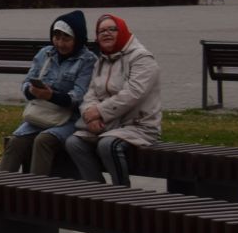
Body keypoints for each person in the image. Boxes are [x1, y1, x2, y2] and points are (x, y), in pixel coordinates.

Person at [57, 14, 161, 187]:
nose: (106, 34)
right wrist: (90, 116)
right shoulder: (101, 61)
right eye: (101, 31)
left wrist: (100, 112)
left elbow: (132, 93)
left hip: (137, 125)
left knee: (107, 145)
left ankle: (122, 194)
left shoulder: (141, 58)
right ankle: (97, 191)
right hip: (108, 125)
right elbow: (90, 94)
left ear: (123, 31)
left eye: (112, 29)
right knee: (74, 143)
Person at [0, 12, 93, 175]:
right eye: (57, 38)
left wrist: (51, 96)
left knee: (43, 141)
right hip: (42, 114)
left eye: (66, 39)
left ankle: (36, 194)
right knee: (16, 142)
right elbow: (27, 82)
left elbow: (79, 96)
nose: (60, 44)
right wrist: (31, 90)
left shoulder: (87, 60)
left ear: (78, 39)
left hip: (70, 119)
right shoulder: (46, 53)